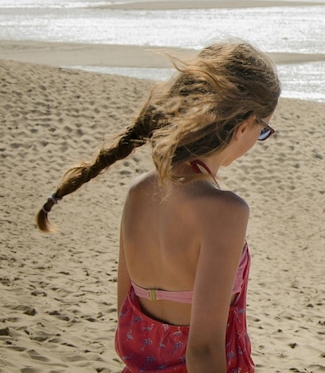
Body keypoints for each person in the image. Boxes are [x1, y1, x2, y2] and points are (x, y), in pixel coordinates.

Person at [36, 40, 281, 373]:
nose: (258, 140)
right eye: (263, 130)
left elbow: (127, 315)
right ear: (243, 126)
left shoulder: (138, 192)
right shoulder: (225, 211)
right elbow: (204, 351)